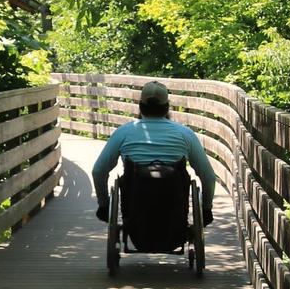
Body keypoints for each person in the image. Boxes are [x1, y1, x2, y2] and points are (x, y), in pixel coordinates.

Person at [92, 80, 216, 224]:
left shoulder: (124, 132)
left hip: (136, 218)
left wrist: (104, 205)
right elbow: (208, 176)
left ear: (140, 106)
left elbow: (98, 171)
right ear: (167, 107)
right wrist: (206, 209)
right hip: (174, 217)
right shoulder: (185, 134)